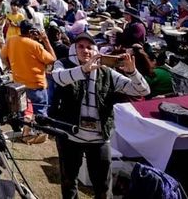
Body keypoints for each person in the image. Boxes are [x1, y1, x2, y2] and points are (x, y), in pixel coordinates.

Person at [50, 32, 150, 199]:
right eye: (80, 46)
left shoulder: (107, 73)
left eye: (89, 47)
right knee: (69, 182)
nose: (85, 50)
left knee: (103, 186)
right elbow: (58, 77)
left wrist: (132, 73)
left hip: (99, 138)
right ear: (74, 49)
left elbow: (143, 91)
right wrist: (83, 70)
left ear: (96, 50)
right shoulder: (64, 64)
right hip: (70, 135)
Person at [0, 20, 56, 117]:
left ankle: (23, 130)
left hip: (19, 85)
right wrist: (46, 40)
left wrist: (10, 66)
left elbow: (3, 56)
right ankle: (39, 130)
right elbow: (52, 59)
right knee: (40, 113)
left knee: (22, 112)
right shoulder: (36, 45)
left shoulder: (11, 40)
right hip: (36, 86)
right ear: (30, 32)